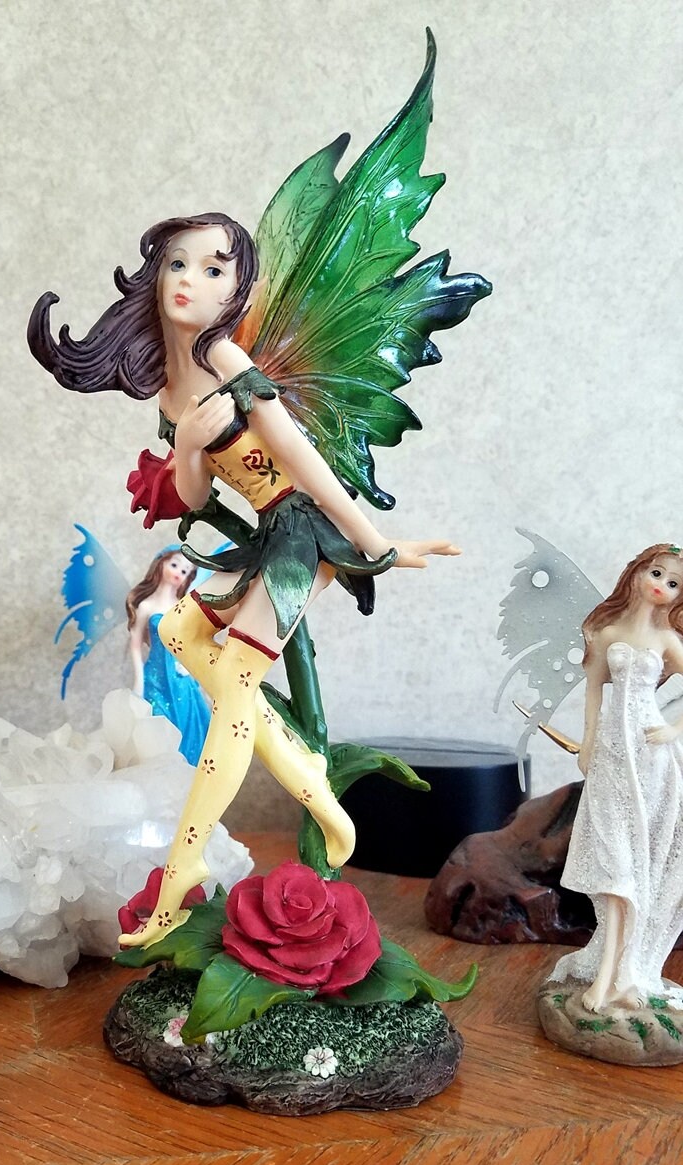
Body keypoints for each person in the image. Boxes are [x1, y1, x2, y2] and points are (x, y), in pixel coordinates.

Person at [30, 215, 459, 947]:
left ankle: (181, 873)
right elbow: (194, 495)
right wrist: (189, 443)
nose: (189, 281)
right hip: (265, 533)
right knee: (179, 631)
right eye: (178, 264)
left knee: (233, 684)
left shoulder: (226, 355)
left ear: (236, 290)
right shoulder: (168, 386)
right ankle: (315, 786)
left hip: (304, 534)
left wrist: (374, 542)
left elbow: (298, 455)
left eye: (213, 269)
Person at [549, 545, 683, 1011]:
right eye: (657, 573)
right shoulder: (607, 633)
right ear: (638, 572)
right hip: (610, 750)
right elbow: (593, 691)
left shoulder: (667, 640)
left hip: (649, 754)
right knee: (614, 863)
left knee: (638, 863)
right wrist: (587, 744)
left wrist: (673, 729)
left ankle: (618, 977)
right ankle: (611, 973)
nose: (661, 586)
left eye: (673, 583)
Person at [126, 548, 210, 765]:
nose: (178, 572)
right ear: (160, 564)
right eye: (174, 565)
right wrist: (138, 681)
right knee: (157, 727)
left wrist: (190, 666)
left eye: (185, 571)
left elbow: (191, 641)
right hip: (155, 678)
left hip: (182, 679)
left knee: (187, 727)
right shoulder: (146, 606)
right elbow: (135, 646)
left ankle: (187, 776)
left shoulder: (183, 606)